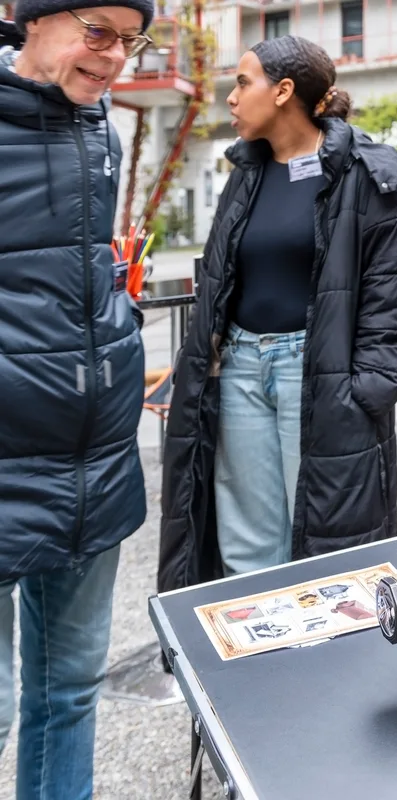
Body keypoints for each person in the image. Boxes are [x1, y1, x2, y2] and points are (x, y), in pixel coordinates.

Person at [157, 35, 397, 596]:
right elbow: (220, 278)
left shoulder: (368, 174)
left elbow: (392, 298)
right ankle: (258, 663)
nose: (231, 97)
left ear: (283, 92)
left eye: (242, 82)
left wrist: (367, 390)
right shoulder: (245, 173)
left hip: (320, 375)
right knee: (247, 539)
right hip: (242, 368)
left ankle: (321, 673)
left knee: (326, 543)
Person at [0, 0, 152, 795]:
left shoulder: (101, 130)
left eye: (131, 39)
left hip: (94, 463)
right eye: (98, 30)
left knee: (68, 694)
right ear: (29, 21)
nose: (116, 54)